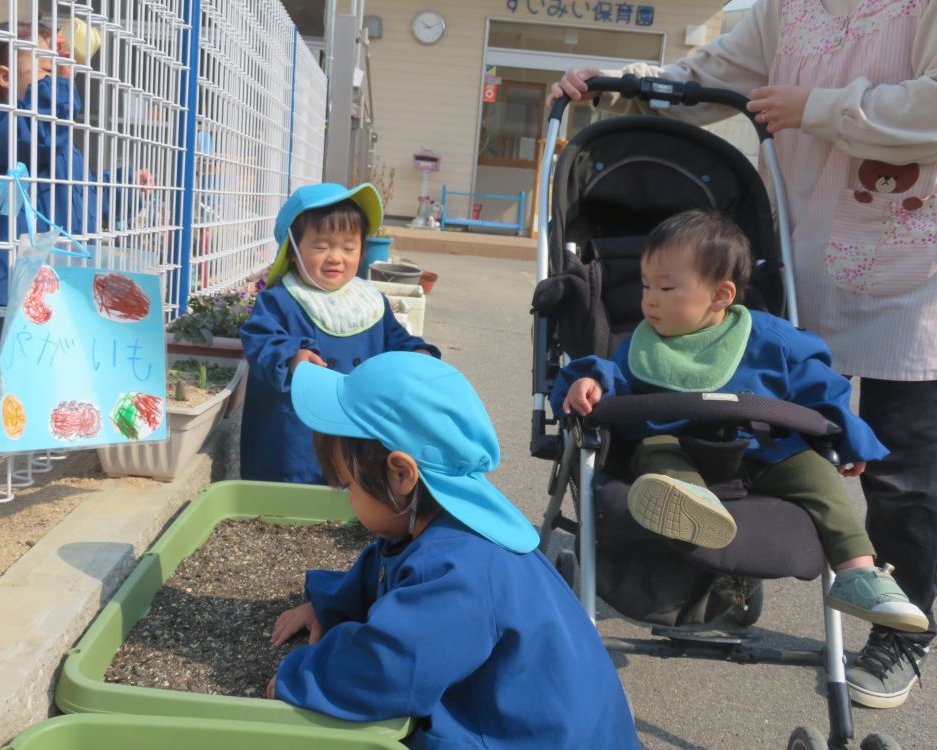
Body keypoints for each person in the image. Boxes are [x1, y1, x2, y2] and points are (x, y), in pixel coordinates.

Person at [547, 0, 937, 708]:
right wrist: (614, 80)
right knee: (760, 435)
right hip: (795, 266)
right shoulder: (786, 9)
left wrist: (818, 107)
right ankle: (719, 571)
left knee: (903, 471)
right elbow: (705, 75)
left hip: (916, 276)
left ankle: (900, 628)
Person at [552, 210, 929, 637]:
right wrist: (590, 381)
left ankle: (858, 572)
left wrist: (849, 439)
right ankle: (692, 505)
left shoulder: (771, 338)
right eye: (645, 286)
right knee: (655, 452)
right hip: (681, 446)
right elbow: (614, 378)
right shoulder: (642, 345)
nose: (650, 299)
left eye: (666, 287)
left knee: (818, 475)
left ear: (720, 295)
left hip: (763, 452)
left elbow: (820, 390)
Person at [265, 352, 640, 750]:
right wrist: (330, 603)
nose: (347, 500)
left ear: (402, 474)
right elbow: (387, 564)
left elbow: (387, 670)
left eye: (349, 488)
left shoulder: (457, 571)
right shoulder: (447, 520)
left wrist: (302, 678)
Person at [0, 21, 151, 310]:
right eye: (45, 69)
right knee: (17, 352)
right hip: (13, 280)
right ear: (5, 77)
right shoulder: (8, 130)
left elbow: (86, 198)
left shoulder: (61, 146)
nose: (55, 73)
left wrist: (128, 189)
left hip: (55, 278)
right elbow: (41, 130)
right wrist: (62, 83)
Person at [239, 183, 440, 484]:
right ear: (293, 252)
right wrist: (292, 356)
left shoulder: (368, 301)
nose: (335, 257)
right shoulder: (280, 301)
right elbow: (260, 341)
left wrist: (417, 353)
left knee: (354, 487)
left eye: (348, 248)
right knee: (290, 501)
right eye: (321, 246)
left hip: (356, 429)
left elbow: (395, 339)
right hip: (294, 438)